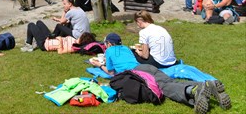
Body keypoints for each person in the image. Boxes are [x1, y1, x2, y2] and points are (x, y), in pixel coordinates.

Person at [99, 34, 231, 114]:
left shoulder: (109, 51)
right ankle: (205, 84)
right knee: (169, 81)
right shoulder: (126, 48)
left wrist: (100, 65)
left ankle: (193, 90)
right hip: (145, 67)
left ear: (109, 43)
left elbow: (111, 72)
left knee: (163, 87)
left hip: (136, 73)